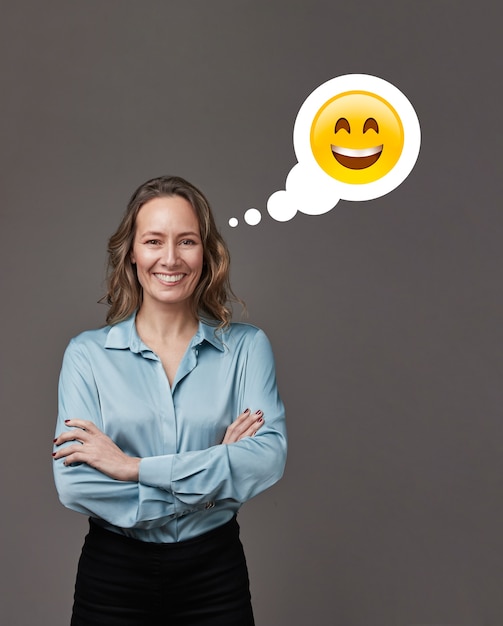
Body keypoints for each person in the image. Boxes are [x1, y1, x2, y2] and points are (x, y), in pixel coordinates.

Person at [52, 175, 287, 626]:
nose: (171, 258)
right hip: (113, 577)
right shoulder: (86, 355)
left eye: (187, 241)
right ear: (132, 253)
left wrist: (133, 468)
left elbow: (267, 461)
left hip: (214, 575)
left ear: (207, 252)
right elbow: (76, 485)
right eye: (154, 241)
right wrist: (215, 477)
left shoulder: (247, 348)